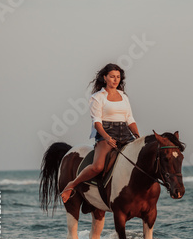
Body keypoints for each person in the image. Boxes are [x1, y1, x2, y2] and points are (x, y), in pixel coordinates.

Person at [60, 63, 140, 203]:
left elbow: (129, 119)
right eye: (112, 77)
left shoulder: (124, 97)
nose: (115, 80)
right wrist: (107, 138)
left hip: (125, 133)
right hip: (105, 133)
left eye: (118, 77)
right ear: (105, 78)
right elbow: (97, 122)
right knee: (98, 166)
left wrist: (138, 137)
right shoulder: (98, 97)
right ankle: (71, 185)